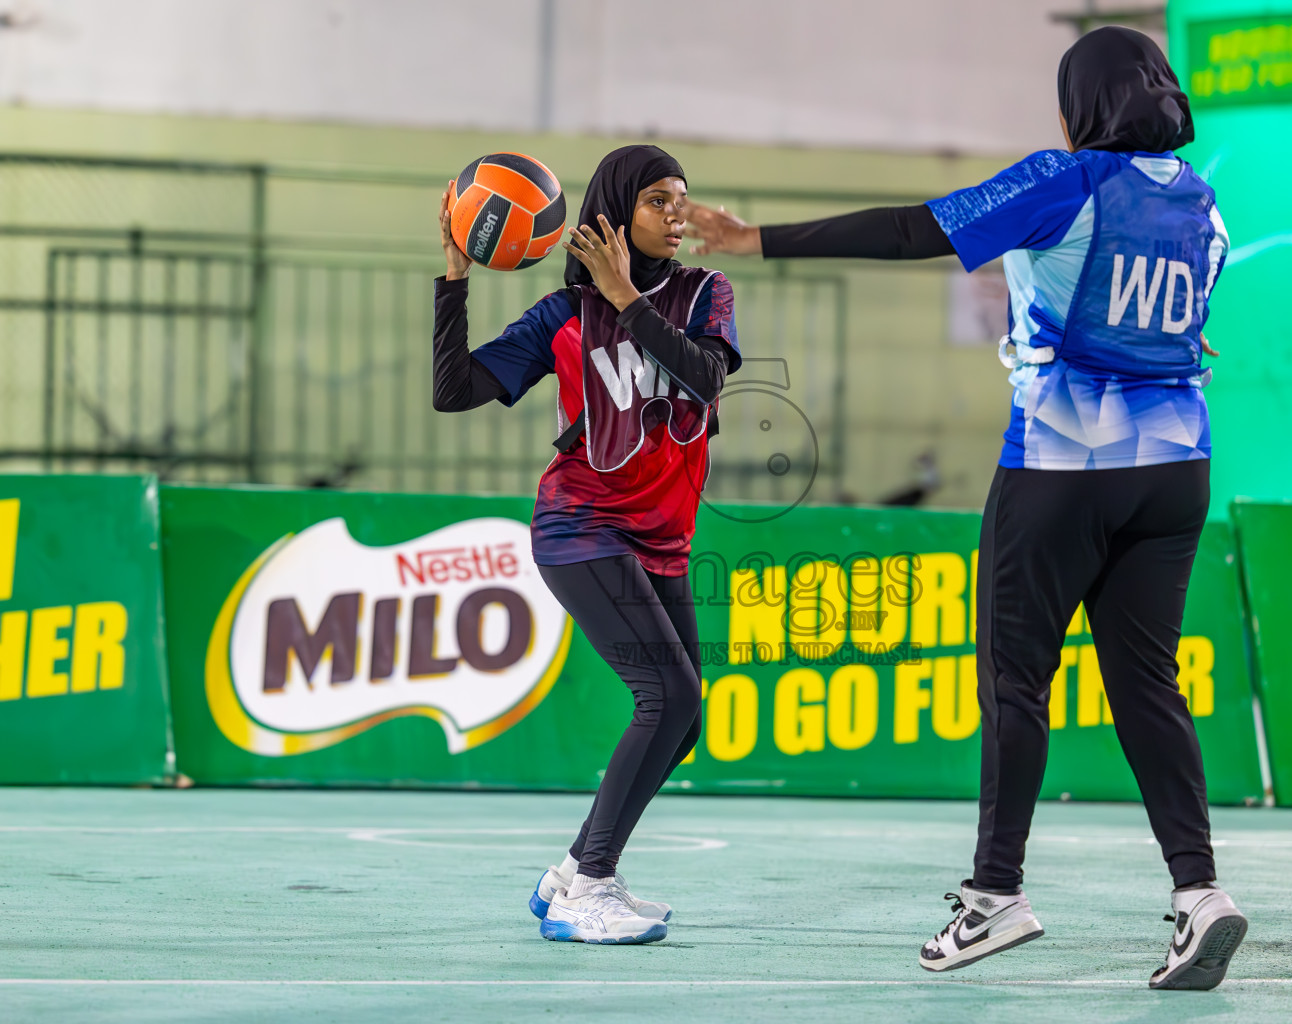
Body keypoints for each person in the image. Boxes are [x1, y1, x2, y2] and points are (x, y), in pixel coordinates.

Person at [685, 27, 1245, 989]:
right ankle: (1200, 895)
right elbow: (1178, 322)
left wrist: (754, 239)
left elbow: (915, 229)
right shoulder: (1203, 203)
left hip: (1067, 464)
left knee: (1014, 678)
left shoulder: (1066, 181)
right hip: (1177, 467)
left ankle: (996, 897)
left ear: (1083, 107)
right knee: (1147, 681)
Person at [432, 144, 740, 946]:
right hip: (582, 526)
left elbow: (703, 377)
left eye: (683, 200)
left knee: (684, 720)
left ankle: (574, 872)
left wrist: (626, 296)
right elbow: (455, 391)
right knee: (666, 697)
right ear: (615, 212)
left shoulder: (707, 292)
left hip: (663, 537)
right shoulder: (562, 316)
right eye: (658, 202)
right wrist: (455, 278)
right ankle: (589, 889)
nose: (677, 215)